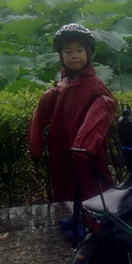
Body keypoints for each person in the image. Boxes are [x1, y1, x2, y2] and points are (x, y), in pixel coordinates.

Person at [27, 23, 118, 219]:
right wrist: (35, 147)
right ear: (61, 56)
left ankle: (96, 222)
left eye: (79, 50)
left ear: (88, 53)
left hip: (87, 154)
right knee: (65, 188)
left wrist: (83, 149)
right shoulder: (59, 88)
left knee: (92, 189)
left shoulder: (96, 87)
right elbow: (39, 118)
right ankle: (74, 220)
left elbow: (102, 112)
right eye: (68, 51)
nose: (74, 55)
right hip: (61, 150)